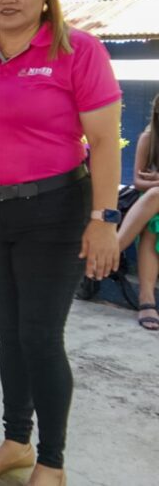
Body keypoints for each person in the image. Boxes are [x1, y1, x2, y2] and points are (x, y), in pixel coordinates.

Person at [0, 0, 122, 485]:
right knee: (10, 334)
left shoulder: (76, 50)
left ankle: (52, 461)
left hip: (54, 211)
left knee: (40, 336)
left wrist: (104, 219)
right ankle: (16, 442)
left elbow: (104, 142)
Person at [116, 94, 159, 329]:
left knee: (154, 199)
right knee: (153, 220)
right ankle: (147, 299)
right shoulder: (149, 138)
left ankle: (111, 250)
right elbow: (138, 182)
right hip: (153, 203)